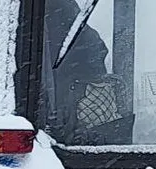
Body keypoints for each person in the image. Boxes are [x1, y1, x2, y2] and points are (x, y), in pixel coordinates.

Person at [41, 0, 120, 144]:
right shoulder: (64, 13)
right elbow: (96, 48)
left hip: (60, 102)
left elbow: (95, 48)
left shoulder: (61, 13)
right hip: (60, 104)